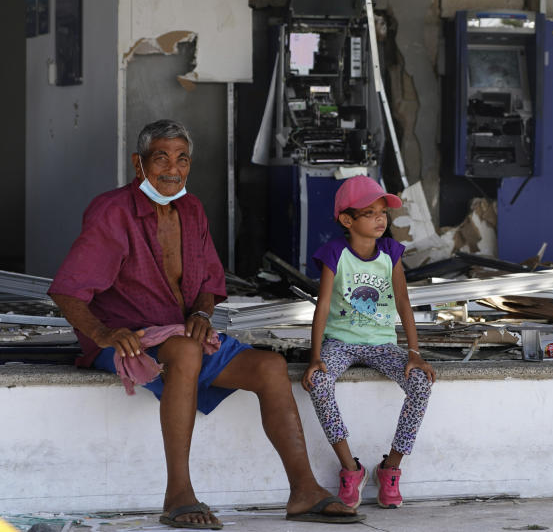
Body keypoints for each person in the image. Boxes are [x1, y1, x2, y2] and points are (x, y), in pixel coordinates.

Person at [49, 119, 363, 528]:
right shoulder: (113, 211)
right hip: (126, 340)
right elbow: (67, 291)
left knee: (269, 367)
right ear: (138, 164)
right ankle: (178, 496)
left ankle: (303, 491)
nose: (172, 168)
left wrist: (200, 313)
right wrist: (104, 335)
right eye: (161, 157)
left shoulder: (192, 210)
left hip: (182, 336)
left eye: (182, 159)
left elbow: (210, 284)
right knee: (184, 349)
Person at [301, 175, 435, 510]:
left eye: (382, 212)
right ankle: (351, 469)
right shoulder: (335, 253)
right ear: (347, 220)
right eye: (370, 212)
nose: (380, 218)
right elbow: (323, 306)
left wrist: (414, 353)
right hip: (341, 342)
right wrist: (316, 356)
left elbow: (403, 301)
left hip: (382, 344)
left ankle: (391, 468)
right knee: (319, 383)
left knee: (420, 384)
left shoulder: (390, 252)